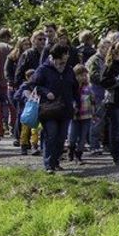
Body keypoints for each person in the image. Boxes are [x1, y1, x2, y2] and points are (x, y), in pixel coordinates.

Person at [30, 45, 80, 173]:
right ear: (57, 56)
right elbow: (34, 84)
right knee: (51, 135)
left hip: (65, 108)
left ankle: (56, 161)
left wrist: (77, 103)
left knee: (61, 136)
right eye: (65, 54)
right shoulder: (43, 69)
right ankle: (49, 165)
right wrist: (46, 92)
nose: (67, 56)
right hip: (49, 109)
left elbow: (75, 88)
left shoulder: (68, 70)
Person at [85, 39, 111, 155]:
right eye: (106, 47)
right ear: (100, 47)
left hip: (106, 93)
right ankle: (93, 146)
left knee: (105, 121)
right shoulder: (94, 60)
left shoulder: (107, 60)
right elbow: (93, 76)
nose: (109, 50)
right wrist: (107, 79)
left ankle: (105, 144)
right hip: (96, 93)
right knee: (96, 120)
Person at [68, 65, 94, 165]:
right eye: (81, 75)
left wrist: (94, 112)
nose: (83, 77)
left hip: (86, 115)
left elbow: (92, 100)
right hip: (74, 116)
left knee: (83, 137)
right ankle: (71, 150)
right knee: (72, 136)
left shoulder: (88, 87)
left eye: (85, 75)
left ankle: (79, 155)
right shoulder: (71, 87)